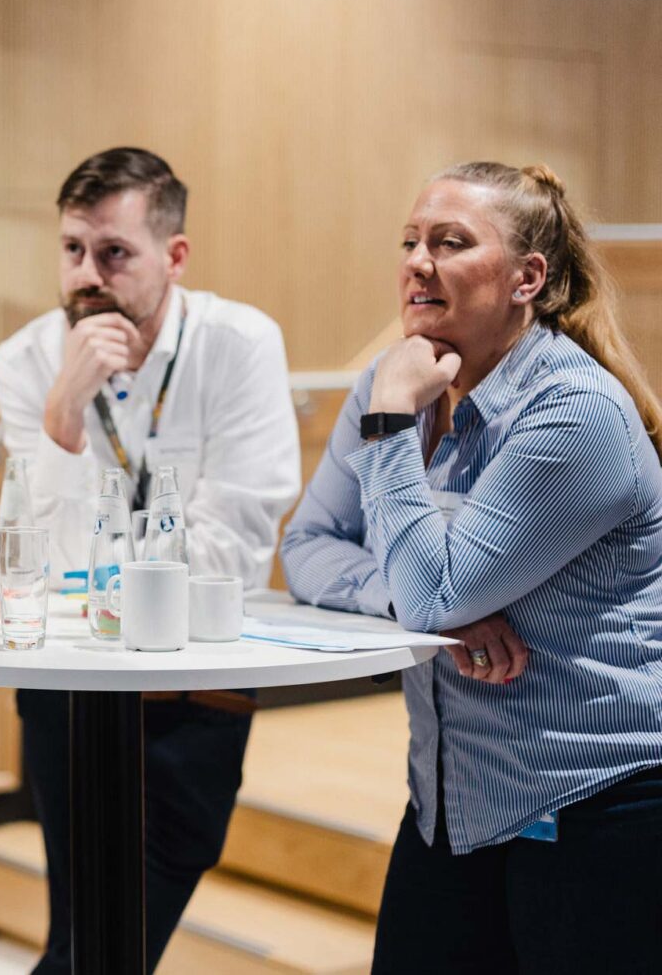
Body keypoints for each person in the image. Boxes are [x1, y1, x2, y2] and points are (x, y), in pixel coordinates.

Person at [281, 162, 662, 974]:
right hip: (451, 802)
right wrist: (424, 604)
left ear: (529, 278)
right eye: (411, 241)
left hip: (595, 806)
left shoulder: (575, 413)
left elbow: (436, 593)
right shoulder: (393, 382)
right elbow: (308, 547)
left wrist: (390, 429)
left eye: (451, 242)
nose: (419, 261)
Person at [0, 147, 301, 972]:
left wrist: (108, 577)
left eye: (114, 254)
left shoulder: (240, 346)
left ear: (175, 255)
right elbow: (48, 564)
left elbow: (230, 548)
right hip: (70, 691)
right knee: (88, 935)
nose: (86, 276)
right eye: (71, 250)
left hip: (198, 682)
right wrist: (64, 416)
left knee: (140, 901)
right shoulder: (27, 361)